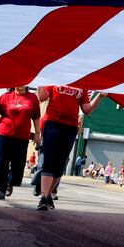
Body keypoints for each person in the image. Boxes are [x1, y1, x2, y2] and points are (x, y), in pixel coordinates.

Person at [34, 83, 96, 211]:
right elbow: (41, 97)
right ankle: (44, 197)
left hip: (70, 127)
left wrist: (100, 95)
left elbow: (86, 109)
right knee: (49, 161)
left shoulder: (82, 83)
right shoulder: (55, 79)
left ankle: (49, 194)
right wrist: (40, 81)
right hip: (53, 123)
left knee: (61, 164)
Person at [0, 86, 40, 198]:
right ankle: (1, 189)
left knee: (18, 166)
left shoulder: (32, 97)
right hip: (3, 134)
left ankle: (11, 182)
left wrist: (37, 133)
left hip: (21, 137)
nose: (21, 84)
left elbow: (36, 117)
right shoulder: (5, 96)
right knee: (1, 164)